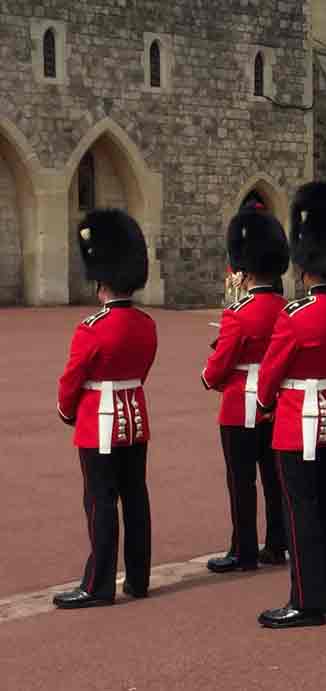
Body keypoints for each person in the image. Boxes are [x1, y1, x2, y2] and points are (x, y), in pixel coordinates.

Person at [256, 181, 326, 629]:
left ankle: (307, 599)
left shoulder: (296, 316)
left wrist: (264, 403)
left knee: (301, 509)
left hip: (298, 422)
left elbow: (269, 376)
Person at [53, 209, 157, 609]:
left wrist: (67, 411)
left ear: (102, 282)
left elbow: (71, 380)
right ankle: (139, 576)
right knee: (135, 498)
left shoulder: (93, 328)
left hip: (99, 423)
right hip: (135, 418)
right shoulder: (146, 324)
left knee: (100, 502)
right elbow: (142, 370)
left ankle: (97, 585)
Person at [201, 207, 290, 573]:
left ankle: (244, 549)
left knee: (241, 480)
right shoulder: (287, 308)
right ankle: (277, 542)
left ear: (245, 269)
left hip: (240, 404)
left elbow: (221, 363)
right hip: (277, 403)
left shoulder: (239, 312)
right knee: (273, 477)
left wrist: (209, 378)